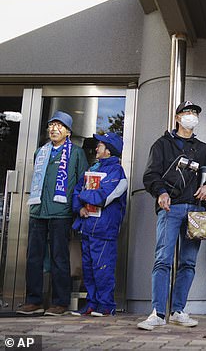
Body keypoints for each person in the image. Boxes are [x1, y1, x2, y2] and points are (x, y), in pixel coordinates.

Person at [138, 101, 206, 330]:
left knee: (188, 262)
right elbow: (151, 175)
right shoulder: (162, 145)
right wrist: (161, 192)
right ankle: (157, 312)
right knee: (163, 260)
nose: (192, 116)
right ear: (177, 117)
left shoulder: (203, 148)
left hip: (196, 211)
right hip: (170, 209)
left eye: (195, 112)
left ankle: (178, 310)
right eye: (187, 112)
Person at [17, 111, 89, 316]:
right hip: (38, 211)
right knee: (34, 257)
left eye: (59, 126)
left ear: (67, 131)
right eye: (51, 125)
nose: (53, 129)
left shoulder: (76, 153)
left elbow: (81, 183)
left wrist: (77, 208)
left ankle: (60, 302)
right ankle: (34, 301)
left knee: (59, 257)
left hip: (61, 213)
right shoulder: (40, 152)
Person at [70, 133, 127, 317]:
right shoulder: (93, 168)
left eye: (100, 145)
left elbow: (102, 197)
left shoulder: (117, 173)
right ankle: (91, 305)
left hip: (104, 230)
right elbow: (77, 189)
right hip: (87, 227)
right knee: (88, 270)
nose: (96, 148)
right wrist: (79, 208)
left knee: (103, 269)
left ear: (109, 151)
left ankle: (106, 306)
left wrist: (81, 196)